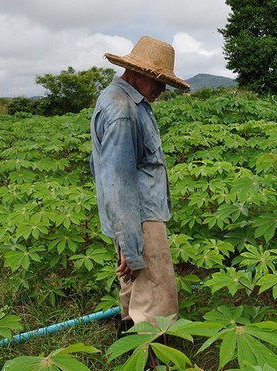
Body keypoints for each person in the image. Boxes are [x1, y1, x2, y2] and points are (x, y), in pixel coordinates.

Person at [90, 36, 189, 330]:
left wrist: (124, 240)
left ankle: (129, 352)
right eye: (157, 80)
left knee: (134, 291)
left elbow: (103, 168)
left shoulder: (120, 99)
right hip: (140, 219)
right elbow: (117, 183)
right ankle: (152, 366)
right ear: (136, 73)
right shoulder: (123, 111)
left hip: (130, 219)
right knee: (156, 297)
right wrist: (131, 246)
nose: (162, 88)